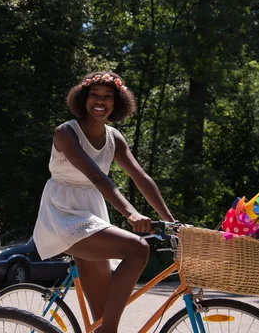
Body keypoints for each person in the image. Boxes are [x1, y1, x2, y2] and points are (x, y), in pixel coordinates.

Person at [33, 71, 175, 333]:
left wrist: (171, 221)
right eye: (94, 95)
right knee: (137, 249)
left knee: (100, 319)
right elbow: (97, 177)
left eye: (108, 97)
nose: (100, 101)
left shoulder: (114, 139)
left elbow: (140, 177)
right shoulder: (66, 132)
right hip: (63, 214)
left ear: (117, 103)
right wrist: (131, 213)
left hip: (92, 215)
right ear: (83, 99)